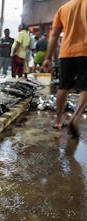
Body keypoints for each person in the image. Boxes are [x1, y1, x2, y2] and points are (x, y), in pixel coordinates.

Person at [42, 0, 87, 137]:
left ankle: (57, 120)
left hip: (66, 53)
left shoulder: (63, 8)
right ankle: (76, 117)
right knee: (85, 88)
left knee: (63, 87)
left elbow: (54, 34)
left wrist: (47, 57)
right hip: (85, 52)